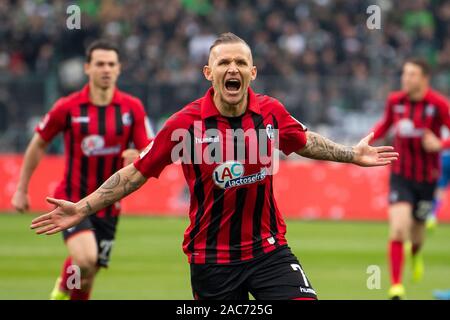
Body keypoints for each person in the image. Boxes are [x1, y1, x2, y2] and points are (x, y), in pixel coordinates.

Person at [30, 33, 397, 300]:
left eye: (240, 62)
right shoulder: (183, 125)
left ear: (252, 71)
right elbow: (134, 173)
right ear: (209, 72)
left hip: (269, 251)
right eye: (224, 62)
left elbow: (306, 142)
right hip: (212, 260)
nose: (232, 68)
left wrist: (352, 154)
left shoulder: (271, 112)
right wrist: (82, 207)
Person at [12, 39, 153, 300]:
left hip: (109, 204)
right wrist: (22, 188)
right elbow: (38, 144)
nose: (106, 69)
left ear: (119, 68)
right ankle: (60, 291)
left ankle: (63, 289)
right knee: (87, 259)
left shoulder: (132, 108)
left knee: (88, 273)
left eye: (111, 64)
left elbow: (149, 151)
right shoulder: (68, 106)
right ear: (87, 68)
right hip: (72, 198)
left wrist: (137, 156)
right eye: (100, 64)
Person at [370, 57, 450, 299]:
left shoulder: (437, 104)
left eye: (412, 74)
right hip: (400, 175)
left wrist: (441, 143)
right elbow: (385, 125)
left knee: (417, 234)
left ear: (424, 79)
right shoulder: (395, 101)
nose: (406, 78)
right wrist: (365, 142)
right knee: (397, 230)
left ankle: (415, 253)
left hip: (427, 179)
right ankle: (396, 286)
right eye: (405, 73)